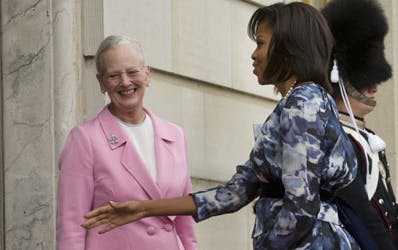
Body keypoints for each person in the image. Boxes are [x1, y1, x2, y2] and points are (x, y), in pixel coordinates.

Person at [82, 2, 361, 249]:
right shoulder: (299, 103)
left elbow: (301, 205)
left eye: (260, 43)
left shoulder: (304, 103)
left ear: (288, 47)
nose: (254, 54)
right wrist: (143, 209)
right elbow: (235, 192)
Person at [56, 35, 197, 250]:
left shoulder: (175, 135)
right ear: (101, 83)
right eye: (114, 75)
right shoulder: (85, 139)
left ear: (147, 74)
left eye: (133, 72)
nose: (125, 82)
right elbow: (72, 226)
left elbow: (185, 221)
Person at [322, 0, 398, 249]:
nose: (374, 87)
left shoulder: (364, 137)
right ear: (340, 76)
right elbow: (358, 216)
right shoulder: (339, 138)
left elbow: (381, 213)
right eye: (364, 78)